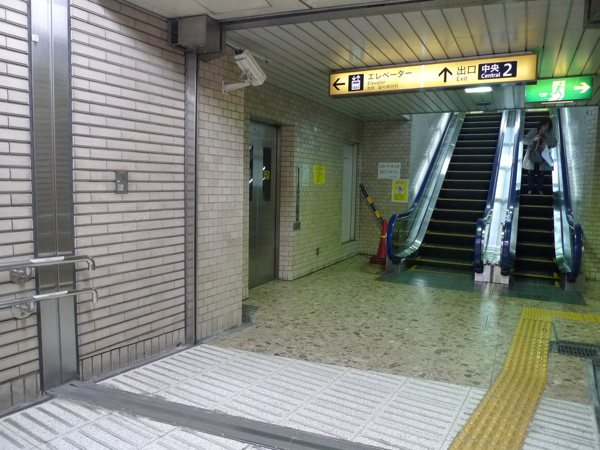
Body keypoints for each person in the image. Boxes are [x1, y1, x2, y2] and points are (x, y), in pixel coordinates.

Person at [523, 118, 557, 195]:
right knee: (531, 173)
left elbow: (555, 143)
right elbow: (524, 141)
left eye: (547, 126)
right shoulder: (534, 131)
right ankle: (530, 189)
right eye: (545, 125)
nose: (545, 127)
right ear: (541, 124)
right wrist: (533, 139)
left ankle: (538, 189)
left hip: (543, 157)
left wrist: (548, 144)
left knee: (541, 174)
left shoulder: (549, 133)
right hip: (532, 156)